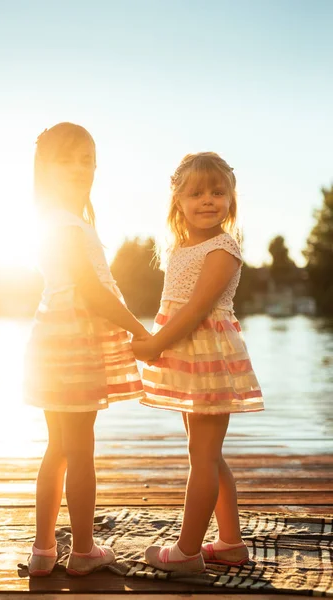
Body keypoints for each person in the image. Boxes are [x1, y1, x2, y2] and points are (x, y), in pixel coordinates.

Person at [24, 122, 149, 577]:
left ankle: (42, 550)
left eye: (87, 159)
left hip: (51, 341)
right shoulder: (66, 225)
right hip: (72, 342)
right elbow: (94, 292)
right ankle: (82, 549)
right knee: (79, 450)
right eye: (67, 159)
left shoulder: (56, 220)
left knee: (57, 446)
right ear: (44, 167)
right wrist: (142, 333)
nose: (80, 167)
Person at [132, 152, 264, 573]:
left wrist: (155, 345)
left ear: (231, 199)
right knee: (206, 451)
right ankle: (229, 542)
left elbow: (195, 311)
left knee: (203, 455)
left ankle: (187, 552)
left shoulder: (223, 248)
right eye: (197, 193)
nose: (209, 200)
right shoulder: (180, 247)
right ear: (178, 201)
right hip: (189, 357)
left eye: (218, 192)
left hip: (209, 357)